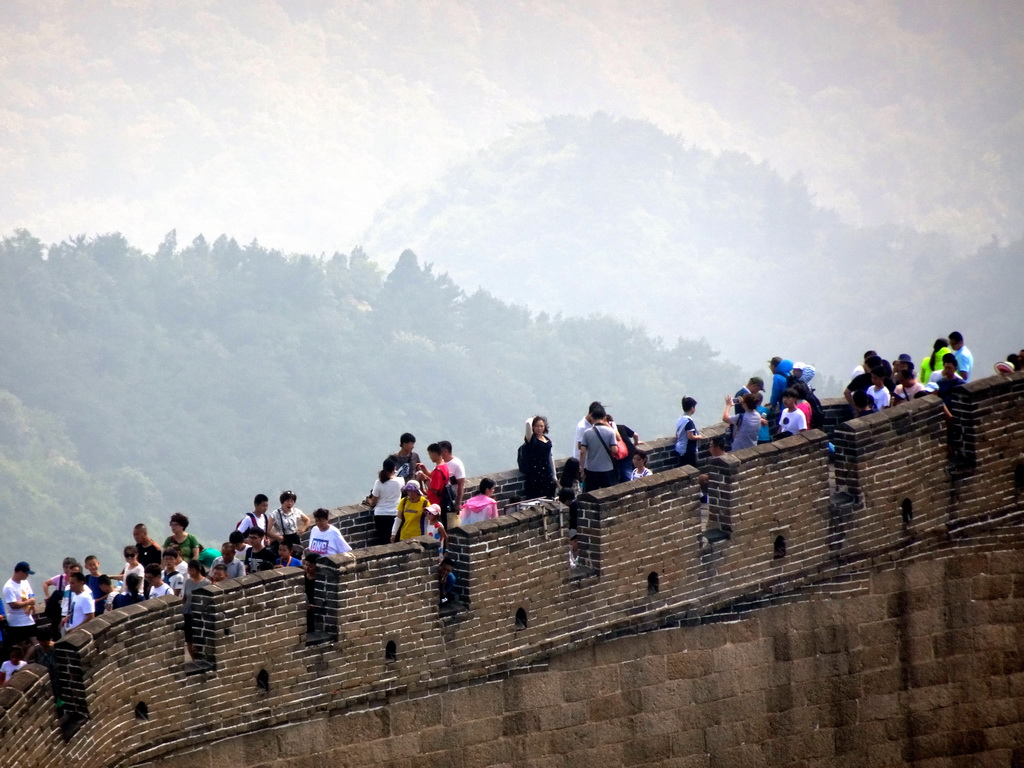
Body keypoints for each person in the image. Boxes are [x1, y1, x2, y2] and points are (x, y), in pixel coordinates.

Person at [578, 403, 619, 492]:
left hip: (591, 469)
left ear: (592, 417)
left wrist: (581, 469)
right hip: (607, 468)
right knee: (609, 495)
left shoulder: (587, 433)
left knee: (591, 495)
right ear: (604, 417)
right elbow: (614, 450)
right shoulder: (611, 432)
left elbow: (582, 452)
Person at [518, 415, 557, 498]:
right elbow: (528, 423)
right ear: (533, 427)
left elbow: (550, 457)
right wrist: (534, 417)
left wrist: (554, 475)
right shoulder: (531, 439)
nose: (539, 428)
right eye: (537, 426)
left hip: (547, 474)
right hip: (535, 475)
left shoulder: (547, 439)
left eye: (541, 426)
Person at [369, 458, 403, 545]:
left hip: (380, 515)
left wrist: (368, 501)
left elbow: (373, 502)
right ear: (394, 469)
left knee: (383, 541)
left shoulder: (379, 482)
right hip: (395, 515)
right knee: (395, 541)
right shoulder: (400, 481)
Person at [3, 562, 36, 649]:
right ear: (20, 572)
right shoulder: (9, 587)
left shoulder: (25, 582)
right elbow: (13, 604)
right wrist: (28, 602)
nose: (27, 576)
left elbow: (31, 595)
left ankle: (25, 661)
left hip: (28, 619)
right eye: (26, 573)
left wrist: (32, 604)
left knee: (36, 644)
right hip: (16, 622)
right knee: (20, 646)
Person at [181, 560, 210, 659]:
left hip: (198, 614)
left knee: (198, 639)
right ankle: (193, 660)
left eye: (192, 570)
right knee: (189, 640)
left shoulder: (206, 583)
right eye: (189, 570)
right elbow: (185, 597)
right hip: (187, 613)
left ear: (198, 570)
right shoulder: (188, 581)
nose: (190, 572)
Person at [416, 444, 452, 511]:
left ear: (435, 453)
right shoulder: (443, 466)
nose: (429, 457)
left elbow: (434, 489)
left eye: (430, 454)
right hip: (441, 500)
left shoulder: (437, 470)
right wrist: (425, 470)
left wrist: (424, 479)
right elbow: (435, 477)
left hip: (435, 503)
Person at [608, 414, 640, 483]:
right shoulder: (621, 427)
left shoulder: (608, 432)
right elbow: (635, 435)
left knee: (627, 476)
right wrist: (636, 443)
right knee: (636, 473)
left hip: (623, 456)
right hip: (633, 452)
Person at [674, 397, 703, 467]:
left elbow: (677, 434)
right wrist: (699, 436)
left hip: (680, 448)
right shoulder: (689, 421)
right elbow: (690, 436)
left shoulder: (680, 419)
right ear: (692, 408)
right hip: (688, 451)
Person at [438, 441, 466, 514]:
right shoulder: (441, 462)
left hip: (452, 498)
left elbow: (461, 484)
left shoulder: (457, 464)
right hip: (442, 497)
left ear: (445, 451)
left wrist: (458, 503)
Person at [303, 553, 319, 633]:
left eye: (310, 566)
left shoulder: (320, 580)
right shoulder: (302, 576)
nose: (307, 568)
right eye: (306, 565)